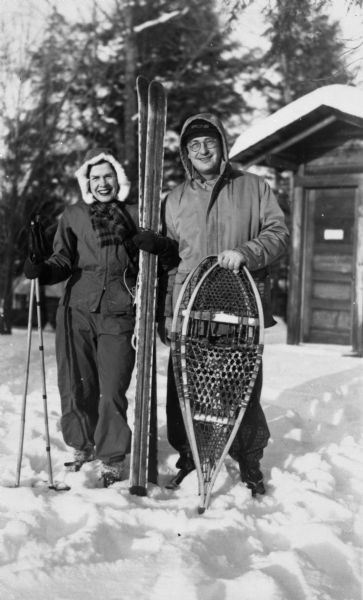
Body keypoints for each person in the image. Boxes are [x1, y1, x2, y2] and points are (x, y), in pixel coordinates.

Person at [24, 148, 177, 487]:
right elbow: (62, 261)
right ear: (87, 183)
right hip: (76, 310)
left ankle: (112, 456)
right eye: (95, 178)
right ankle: (82, 445)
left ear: (118, 179)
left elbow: (161, 253)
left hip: (121, 311)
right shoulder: (73, 215)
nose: (102, 183)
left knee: (112, 389)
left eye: (108, 176)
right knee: (76, 383)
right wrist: (41, 269)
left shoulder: (138, 213)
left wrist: (155, 244)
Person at [160, 114, 290, 496]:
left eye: (209, 143)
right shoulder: (177, 198)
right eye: (193, 146)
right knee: (185, 389)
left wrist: (247, 252)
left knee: (241, 388)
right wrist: (168, 313)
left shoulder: (253, 187)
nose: (202, 150)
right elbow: (172, 262)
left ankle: (249, 461)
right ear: (185, 154)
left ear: (222, 146)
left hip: (240, 304)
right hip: (190, 308)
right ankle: (189, 458)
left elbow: (278, 232)